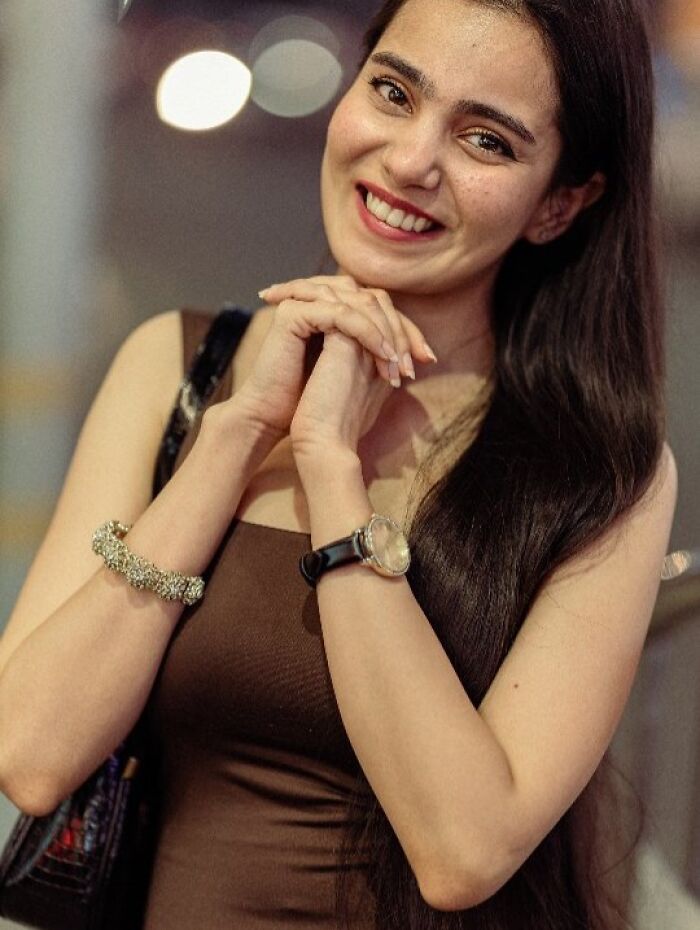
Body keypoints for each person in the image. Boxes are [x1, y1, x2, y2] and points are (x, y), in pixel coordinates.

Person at [0, 0, 678, 927]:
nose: (409, 161)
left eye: (486, 141)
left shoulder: (604, 471)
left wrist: (331, 471)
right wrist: (237, 437)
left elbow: (462, 851)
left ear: (561, 202)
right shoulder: (179, 367)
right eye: (394, 92)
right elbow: (31, 752)